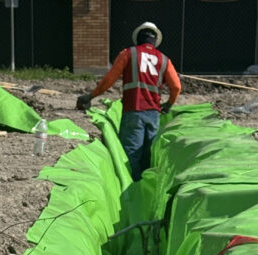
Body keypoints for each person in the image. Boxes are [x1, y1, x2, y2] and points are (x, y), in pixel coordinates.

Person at [76, 22, 181, 181]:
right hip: (153, 114)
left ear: (138, 38)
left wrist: (90, 96)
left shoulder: (128, 53)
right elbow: (176, 87)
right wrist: (169, 104)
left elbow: (108, 80)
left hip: (134, 111)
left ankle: (131, 194)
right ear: (155, 40)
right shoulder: (164, 60)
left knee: (130, 157)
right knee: (148, 156)